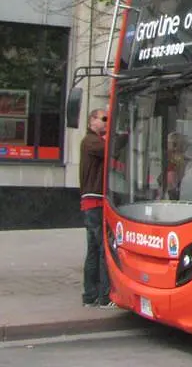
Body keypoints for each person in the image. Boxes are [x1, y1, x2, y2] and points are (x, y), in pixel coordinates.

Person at [80, 108, 113, 308]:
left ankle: (90, 296)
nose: (107, 122)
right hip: (96, 201)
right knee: (102, 249)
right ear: (93, 120)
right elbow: (108, 150)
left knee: (93, 250)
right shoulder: (91, 141)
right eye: (104, 119)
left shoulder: (92, 141)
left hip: (91, 202)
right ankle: (104, 296)